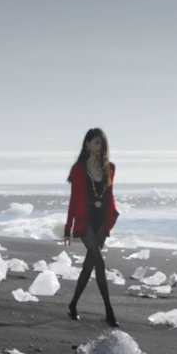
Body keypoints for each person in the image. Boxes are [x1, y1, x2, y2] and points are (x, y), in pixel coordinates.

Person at [63, 128, 120, 327]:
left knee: (89, 266)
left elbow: (109, 195)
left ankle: (72, 305)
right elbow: (73, 199)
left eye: (102, 143)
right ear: (87, 144)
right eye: (96, 142)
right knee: (100, 263)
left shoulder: (110, 168)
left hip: (101, 221)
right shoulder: (78, 169)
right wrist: (68, 229)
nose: (100, 146)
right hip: (85, 221)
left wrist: (112, 215)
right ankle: (109, 312)